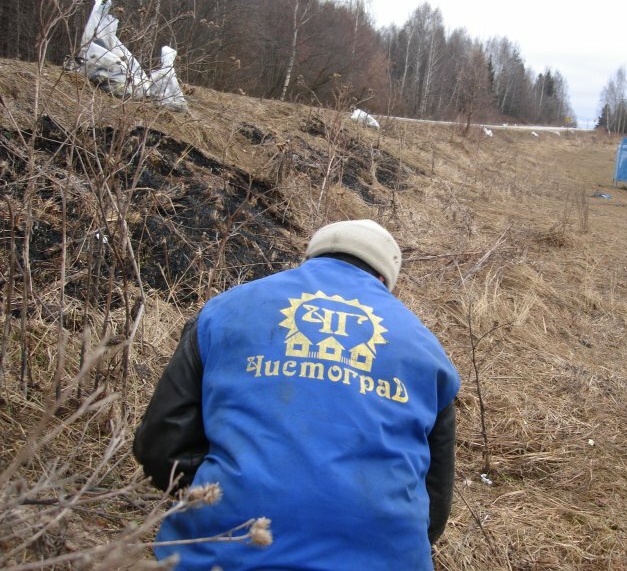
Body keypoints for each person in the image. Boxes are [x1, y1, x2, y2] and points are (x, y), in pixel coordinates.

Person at [133, 219, 461, 570]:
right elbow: (434, 505)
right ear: (384, 278)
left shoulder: (226, 309)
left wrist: (221, 497)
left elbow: (161, 445)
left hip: (227, 551)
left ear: (311, 257)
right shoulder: (427, 351)